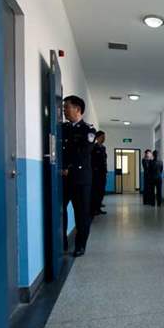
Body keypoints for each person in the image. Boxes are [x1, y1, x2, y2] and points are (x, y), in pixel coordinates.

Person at [61, 95, 97, 258]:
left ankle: (80, 246)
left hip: (81, 179)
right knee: (59, 209)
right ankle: (61, 241)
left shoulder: (89, 130)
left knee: (81, 214)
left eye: (66, 106)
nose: (64, 110)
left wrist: (70, 168)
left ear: (77, 109)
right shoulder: (63, 128)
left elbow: (84, 152)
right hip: (63, 178)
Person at [91, 131, 107, 216]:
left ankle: (98, 208)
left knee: (101, 191)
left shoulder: (103, 148)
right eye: (102, 137)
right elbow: (92, 161)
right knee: (95, 192)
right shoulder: (93, 147)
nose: (104, 138)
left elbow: (104, 161)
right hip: (96, 174)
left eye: (104, 137)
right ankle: (94, 209)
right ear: (97, 138)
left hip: (103, 173)